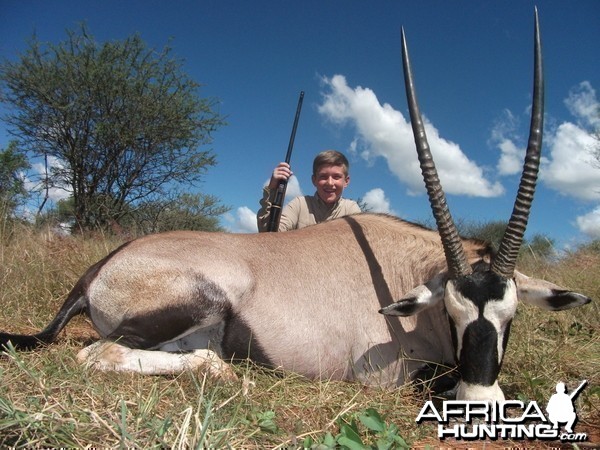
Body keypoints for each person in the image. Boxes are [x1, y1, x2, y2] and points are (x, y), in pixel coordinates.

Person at [257, 150, 361, 232]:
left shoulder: (351, 209)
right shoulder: (299, 204)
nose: (330, 182)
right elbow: (269, 234)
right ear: (314, 180)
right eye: (323, 177)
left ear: (346, 181)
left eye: (336, 177)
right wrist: (273, 188)